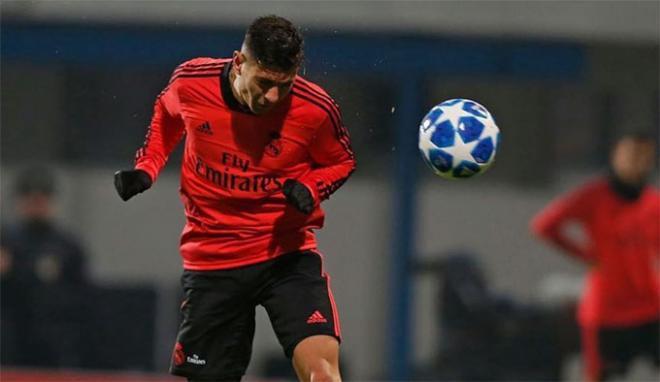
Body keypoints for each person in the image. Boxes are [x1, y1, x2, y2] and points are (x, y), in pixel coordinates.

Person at [114, 15, 355, 382]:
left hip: (286, 257)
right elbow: (167, 113)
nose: (273, 97)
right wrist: (147, 167)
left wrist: (312, 186)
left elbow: (341, 161)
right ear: (240, 63)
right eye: (264, 82)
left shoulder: (315, 109)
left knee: (322, 374)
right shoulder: (192, 83)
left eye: (284, 85)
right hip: (214, 260)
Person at [530, 133, 659, 381]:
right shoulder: (594, 196)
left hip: (649, 305)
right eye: (631, 155)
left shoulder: (653, 203)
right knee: (598, 374)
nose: (637, 163)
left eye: (644, 157)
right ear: (616, 157)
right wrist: (583, 254)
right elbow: (545, 225)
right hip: (608, 309)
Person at [1, 166, 88, 367]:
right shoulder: (6, 242)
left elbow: (81, 296)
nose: (36, 206)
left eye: (41, 201)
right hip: (11, 338)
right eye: (30, 201)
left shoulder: (67, 246)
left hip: (53, 341)